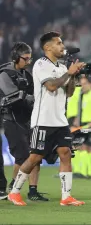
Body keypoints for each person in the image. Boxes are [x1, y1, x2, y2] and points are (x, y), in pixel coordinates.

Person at [8, 31, 85, 206]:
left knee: (65, 154)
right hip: (43, 120)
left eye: (62, 42)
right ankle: (15, 192)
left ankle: (66, 197)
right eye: (58, 43)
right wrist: (68, 73)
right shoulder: (40, 65)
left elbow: (70, 93)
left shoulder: (62, 67)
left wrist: (73, 75)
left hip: (60, 120)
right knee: (35, 157)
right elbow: (50, 86)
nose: (62, 46)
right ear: (47, 47)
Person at [0, 43, 48, 201]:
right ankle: (13, 189)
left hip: (26, 120)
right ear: (15, 57)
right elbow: (12, 96)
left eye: (30, 58)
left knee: (33, 154)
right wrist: (30, 98)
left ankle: (26, 190)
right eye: (25, 58)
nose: (28, 62)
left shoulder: (26, 75)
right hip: (10, 119)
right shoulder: (4, 73)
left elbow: (35, 94)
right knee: (22, 156)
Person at [67, 76, 91, 178]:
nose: (82, 86)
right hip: (81, 123)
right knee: (81, 147)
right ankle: (84, 172)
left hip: (88, 124)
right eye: (81, 84)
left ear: (90, 84)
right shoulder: (81, 94)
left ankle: (85, 172)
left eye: (84, 84)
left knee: (85, 148)